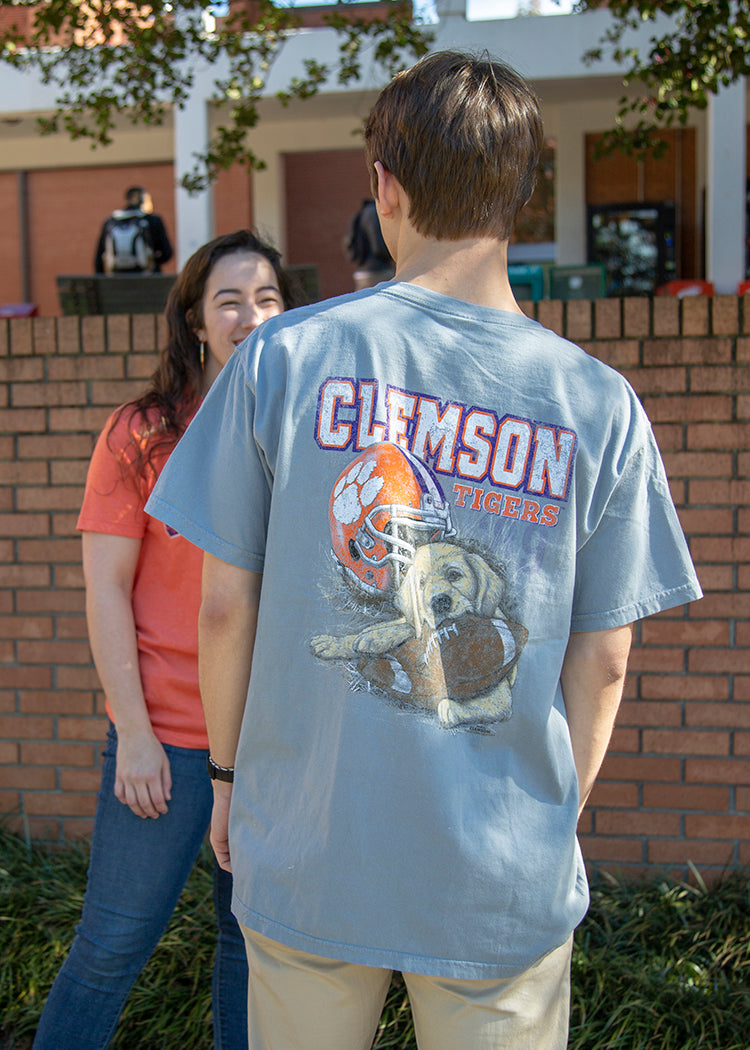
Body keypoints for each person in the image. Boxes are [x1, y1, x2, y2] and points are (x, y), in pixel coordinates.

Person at [146, 51, 702, 1050]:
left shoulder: (282, 358)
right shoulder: (596, 404)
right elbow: (606, 656)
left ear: (385, 189)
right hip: (497, 870)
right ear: (522, 198)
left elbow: (226, 607)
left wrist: (227, 783)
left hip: (311, 839)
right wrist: (547, 821)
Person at [33, 230, 303, 1050]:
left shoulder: (303, 434)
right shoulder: (143, 432)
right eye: (229, 300)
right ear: (193, 318)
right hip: (169, 743)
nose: (249, 316)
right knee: (111, 947)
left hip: (266, 745)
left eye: (267, 299)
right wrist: (138, 736)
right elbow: (107, 588)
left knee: (247, 948)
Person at [94, 185, 173, 274]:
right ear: (144, 200)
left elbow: (99, 256)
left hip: (118, 276)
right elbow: (167, 253)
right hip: (147, 277)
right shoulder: (153, 221)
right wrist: (152, 262)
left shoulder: (111, 221)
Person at [345, 197, 395, 289]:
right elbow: (378, 246)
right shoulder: (373, 213)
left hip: (362, 271)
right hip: (378, 272)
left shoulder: (361, 213)